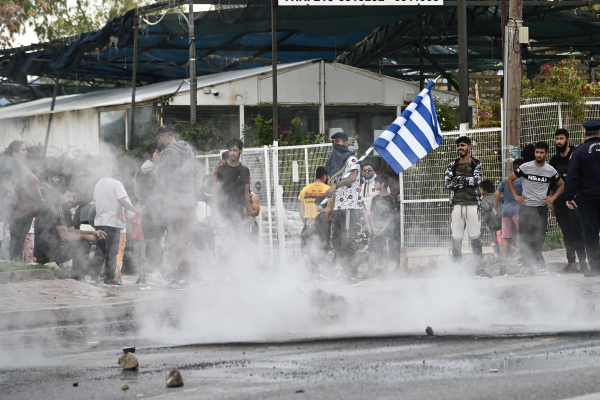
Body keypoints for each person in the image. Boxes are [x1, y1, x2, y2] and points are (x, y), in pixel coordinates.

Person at [507, 141, 564, 277]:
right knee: (525, 238)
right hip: (526, 208)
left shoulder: (550, 170)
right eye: (537, 152)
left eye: (541, 152)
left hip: (541, 209)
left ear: (546, 154)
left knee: (539, 238)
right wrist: (516, 196)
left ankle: (538, 266)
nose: (538, 155)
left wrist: (552, 198)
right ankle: (526, 266)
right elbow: (510, 179)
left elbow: (562, 185)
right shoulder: (526, 167)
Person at [90, 164, 144, 287]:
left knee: (99, 251)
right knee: (112, 251)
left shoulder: (98, 184)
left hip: (100, 222)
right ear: (113, 169)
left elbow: (96, 203)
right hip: (112, 223)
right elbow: (123, 201)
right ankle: (108, 278)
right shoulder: (116, 183)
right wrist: (137, 211)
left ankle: (94, 277)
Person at [33, 186, 106, 277]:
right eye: (68, 196)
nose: (71, 199)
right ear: (61, 196)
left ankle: (76, 276)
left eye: (74, 197)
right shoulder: (58, 209)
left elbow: (73, 230)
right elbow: (65, 236)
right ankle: (78, 277)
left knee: (83, 239)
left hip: (53, 246)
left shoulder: (64, 209)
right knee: (83, 242)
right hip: (46, 251)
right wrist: (87, 237)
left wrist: (92, 233)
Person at [444, 136, 490, 278]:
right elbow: (447, 183)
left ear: (469, 147)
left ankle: (478, 270)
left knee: (476, 238)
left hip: (472, 205)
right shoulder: (452, 164)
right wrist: (465, 181)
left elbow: (476, 181)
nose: (460, 148)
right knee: (456, 239)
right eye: (458, 146)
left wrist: (457, 179)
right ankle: (456, 271)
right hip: (457, 206)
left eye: (463, 145)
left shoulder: (476, 163)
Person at [156, 126, 196, 290]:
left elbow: (161, 177)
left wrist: (158, 163)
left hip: (174, 204)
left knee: (174, 243)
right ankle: (183, 277)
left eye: (159, 139)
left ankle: (179, 279)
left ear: (162, 138)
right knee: (184, 242)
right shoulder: (189, 150)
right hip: (188, 203)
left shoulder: (168, 152)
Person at [324, 131, 361, 286]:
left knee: (348, 242)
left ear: (346, 143)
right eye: (333, 141)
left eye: (337, 141)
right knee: (337, 243)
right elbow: (335, 191)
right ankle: (346, 273)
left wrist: (335, 184)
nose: (335, 144)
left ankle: (353, 276)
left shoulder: (352, 159)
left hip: (349, 208)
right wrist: (330, 208)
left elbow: (352, 178)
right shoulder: (335, 163)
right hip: (338, 208)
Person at [565, 120, 600, 278]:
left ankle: (596, 268)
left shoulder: (579, 151)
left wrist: (569, 196)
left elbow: (572, 175)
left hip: (587, 198)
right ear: (599, 133)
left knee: (591, 233)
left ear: (585, 134)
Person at [549, 128, 588, 273]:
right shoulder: (554, 160)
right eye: (557, 138)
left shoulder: (576, 155)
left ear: (568, 140)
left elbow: (583, 177)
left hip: (574, 201)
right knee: (566, 233)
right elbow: (551, 183)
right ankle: (572, 263)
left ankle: (583, 261)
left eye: (561, 138)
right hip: (559, 202)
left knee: (577, 231)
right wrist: (552, 204)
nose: (558, 141)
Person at [213, 138, 253, 274]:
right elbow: (215, 193)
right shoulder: (221, 168)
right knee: (227, 241)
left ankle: (234, 271)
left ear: (241, 151)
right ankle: (223, 272)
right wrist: (215, 214)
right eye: (230, 150)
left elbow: (246, 194)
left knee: (238, 240)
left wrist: (250, 213)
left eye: (235, 150)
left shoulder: (245, 170)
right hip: (223, 211)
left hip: (238, 211)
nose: (232, 153)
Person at [1, 141, 45, 262]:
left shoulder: (20, 164)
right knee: (17, 240)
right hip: (19, 210)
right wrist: (12, 199)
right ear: (15, 153)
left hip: (28, 209)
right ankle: (15, 265)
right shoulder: (11, 164)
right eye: (23, 149)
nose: (26, 152)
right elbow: (8, 185)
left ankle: (17, 264)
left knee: (19, 240)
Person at [134, 141, 165, 284]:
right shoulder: (159, 169)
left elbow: (137, 192)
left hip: (146, 209)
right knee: (157, 242)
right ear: (156, 153)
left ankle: (151, 273)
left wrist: (144, 203)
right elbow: (164, 189)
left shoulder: (140, 171)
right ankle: (155, 274)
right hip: (158, 210)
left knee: (149, 242)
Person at [298, 166, 330, 280]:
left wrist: (305, 223)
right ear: (325, 176)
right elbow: (330, 209)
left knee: (309, 248)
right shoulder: (328, 189)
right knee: (323, 247)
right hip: (323, 223)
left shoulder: (305, 189)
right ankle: (328, 273)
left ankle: (314, 274)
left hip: (309, 222)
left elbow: (301, 209)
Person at [494, 158, 524, 276]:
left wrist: (495, 208)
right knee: (523, 236)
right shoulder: (523, 181)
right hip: (519, 211)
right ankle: (522, 260)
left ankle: (503, 265)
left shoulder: (506, 180)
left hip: (506, 212)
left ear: (512, 168)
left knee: (505, 238)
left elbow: (497, 194)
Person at [367, 174, 397, 276]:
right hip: (375, 230)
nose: (374, 184)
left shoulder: (390, 199)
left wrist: (383, 229)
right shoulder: (374, 199)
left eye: (376, 182)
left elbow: (391, 216)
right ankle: (370, 271)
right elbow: (371, 215)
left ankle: (384, 273)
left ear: (382, 184)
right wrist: (373, 228)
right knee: (372, 250)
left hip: (386, 230)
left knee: (385, 251)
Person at [479, 179, 502, 260]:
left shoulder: (484, 199)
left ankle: (503, 254)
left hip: (492, 222)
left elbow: (486, 208)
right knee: (502, 237)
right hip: (501, 219)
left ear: (485, 190)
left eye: (480, 189)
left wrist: (486, 218)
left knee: (492, 240)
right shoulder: (497, 195)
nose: (480, 191)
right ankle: (503, 254)